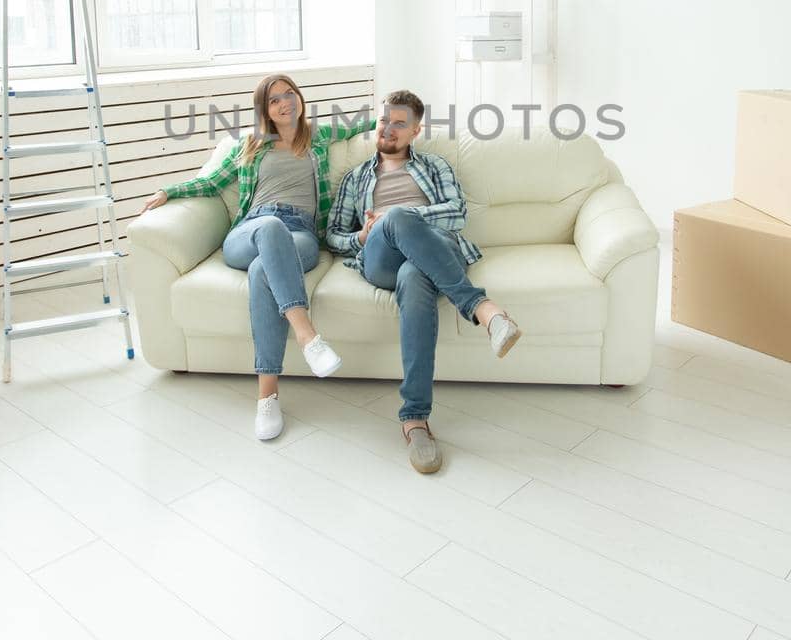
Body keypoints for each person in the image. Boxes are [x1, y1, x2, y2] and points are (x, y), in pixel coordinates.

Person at [141, 73, 374, 441]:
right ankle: (309, 338)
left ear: (300, 97)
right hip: (249, 231)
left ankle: (267, 397)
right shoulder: (250, 146)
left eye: (289, 95)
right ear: (264, 111)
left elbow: (371, 122)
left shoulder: (320, 137)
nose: (285, 103)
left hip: (299, 235)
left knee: (264, 269)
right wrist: (168, 191)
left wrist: (400, 118)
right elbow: (210, 182)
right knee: (269, 228)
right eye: (274, 100)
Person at [326, 89, 520, 473]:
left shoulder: (435, 167)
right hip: (379, 256)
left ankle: (415, 420)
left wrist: (403, 217)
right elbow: (332, 235)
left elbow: (457, 214)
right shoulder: (356, 177)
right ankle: (484, 310)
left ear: (416, 130)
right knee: (396, 220)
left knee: (414, 273)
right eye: (385, 121)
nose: (389, 129)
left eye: (400, 123)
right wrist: (363, 236)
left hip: (430, 254)